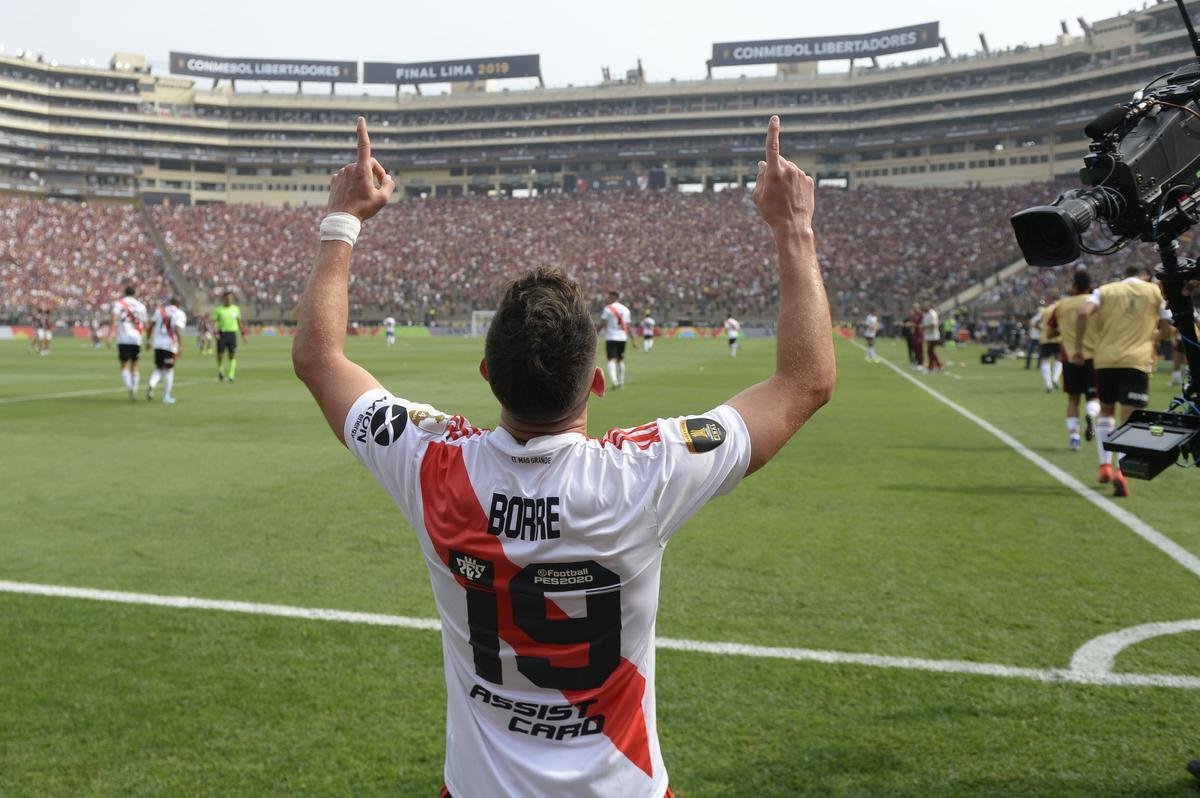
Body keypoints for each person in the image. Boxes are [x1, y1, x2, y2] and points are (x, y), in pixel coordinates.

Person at [292, 116, 835, 798]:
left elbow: (319, 359)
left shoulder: (433, 467)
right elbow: (805, 381)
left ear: (488, 374)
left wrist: (343, 219)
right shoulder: (644, 474)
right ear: (598, 381)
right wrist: (794, 229)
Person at [1074, 266, 1173, 497]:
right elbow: (1168, 330)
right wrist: (1151, 336)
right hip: (1136, 361)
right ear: (1146, 276)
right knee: (1129, 420)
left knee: (1106, 413)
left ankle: (1104, 465)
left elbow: (1082, 312)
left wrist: (1078, 348)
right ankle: (1120, 472)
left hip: (1105, 360)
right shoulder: (1154, 291)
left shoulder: (1105, 290)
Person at [1048, 270, 1100, 451]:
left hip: (1070, 357)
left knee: (1072, 400)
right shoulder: (1096, 302)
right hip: (1094, 357)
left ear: (1074, 285)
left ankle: (1074, 438)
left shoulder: (1062, 305)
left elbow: (1050, 332)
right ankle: (1091, 413)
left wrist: (1065, 330)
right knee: (1095, 397)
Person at [145, 296, 187, 404]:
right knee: (169, 370)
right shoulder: (179, 313)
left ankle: (151, 384)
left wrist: (148, 340)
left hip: (158, 344)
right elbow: (177, 329)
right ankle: (166, 396)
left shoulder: (160, 311)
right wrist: (181, 344)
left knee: (159, 368)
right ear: (178, 304)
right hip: (169, 345)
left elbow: (151, 326)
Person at [110, 286, 148, 401]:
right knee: (135, 364)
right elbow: (146, 324)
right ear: (134, 293)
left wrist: (110, 335)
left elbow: (114, 319)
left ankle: (130, 387)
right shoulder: (141, 306)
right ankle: (134, 388)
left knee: (124, 365)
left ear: (124, 293)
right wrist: (147, 339)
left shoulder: (119, 304)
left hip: (123, 338)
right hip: (136, 338)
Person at [598, 290, 631, 388]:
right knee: (620, 360)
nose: (607, 298)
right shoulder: (626, 310)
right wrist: (632, 339)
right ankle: (621, 382)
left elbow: (603, 323)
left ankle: (614, 382)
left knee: (611, 360)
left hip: (611, 336)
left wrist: (596, 333)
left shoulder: (607, 309)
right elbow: (627, 325)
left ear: (613, 297)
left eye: (609, 297)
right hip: (622, 337)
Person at [213, 290, 246, 382]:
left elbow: (239, 323)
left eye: (230, 298)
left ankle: (231, 375)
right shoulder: (219, 310)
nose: (229, 299)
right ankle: (220, 370)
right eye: (227, 298)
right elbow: (215, 323)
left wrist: (243, 335)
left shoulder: (236, 309)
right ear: (223, 299)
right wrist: (216, 333)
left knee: (232, 354)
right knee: (220, 355)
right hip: (222, 334)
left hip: (232, 334)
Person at [1038, 298, 1062, 393]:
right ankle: (1055, 378)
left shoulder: (1044, 311)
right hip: (1058, 337)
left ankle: (1048, 384)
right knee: (1059, 359)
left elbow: (1035, 322)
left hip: (1046, 337)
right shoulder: (1060, 309)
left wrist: (1043, 328)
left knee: (1045, 361)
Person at [921, 304, 942, 372]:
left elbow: (933, 325)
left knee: (930, 351)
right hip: (929, 336)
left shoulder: (932, 313)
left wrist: (925, 328)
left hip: (933, 336)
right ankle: (938, 365)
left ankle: (931, 367)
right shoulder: (927, 314)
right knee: (931, 352)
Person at [904, 302, 924, 368]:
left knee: (919, 349)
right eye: (914, 308)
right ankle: (917, 362)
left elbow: (920, 324)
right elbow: (913, 323)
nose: (915, 309)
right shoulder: (914, 315)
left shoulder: (920, 315)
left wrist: (910, 324)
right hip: (914, 334)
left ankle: (921, 363)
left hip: (919, 334)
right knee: (915, 349)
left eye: (915, 308)